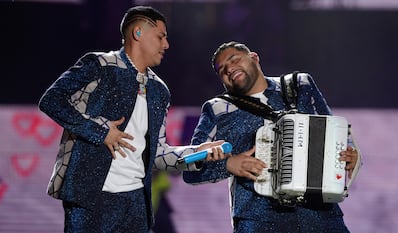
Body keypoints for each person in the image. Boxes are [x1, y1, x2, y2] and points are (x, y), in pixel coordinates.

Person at [39, 6, 226, 233]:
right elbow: (52, 100)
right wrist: (100, 131)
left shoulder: (159, 89)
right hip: (90, 198)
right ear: (137, 33)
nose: (166, 45)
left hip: (136, 205)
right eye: (160, 36)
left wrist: (198, 152)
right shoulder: (99, 65)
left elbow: (158, 154)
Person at [183, 41, 361, 233]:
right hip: (259, 222)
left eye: (234, 60)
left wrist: (351, 156)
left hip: (322, 217)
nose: (229, 68)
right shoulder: (217, 109)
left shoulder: (300, 85)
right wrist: (228, 164)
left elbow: (337, 133)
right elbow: (191, 169)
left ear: (254, 58)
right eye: (222, 69)